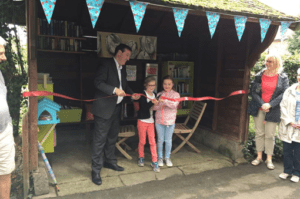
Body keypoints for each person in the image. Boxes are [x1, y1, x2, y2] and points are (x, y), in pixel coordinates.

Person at [91, 44, 140, 185]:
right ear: (119, 53)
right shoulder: (106, 64)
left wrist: (132, 95)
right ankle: (95, 170)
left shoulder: (121, 69)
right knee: (99, 140)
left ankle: (110, 162)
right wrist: (113, 89)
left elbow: (124, 87)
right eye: (127, 55)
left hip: (116, 108)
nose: (128, 59)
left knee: (112, 137)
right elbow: (98, 83)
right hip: (103, 109)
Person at [248, 54, 289, 170]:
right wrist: (262, 103)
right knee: (259, 133)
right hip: (259, 108)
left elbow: (284, 94)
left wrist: (270, 104)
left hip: (273, 109)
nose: (267, 63)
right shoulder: (259, 75)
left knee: (270, 135)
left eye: (270, 61)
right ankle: (259, 157)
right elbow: (254, 92)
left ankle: (269, 159)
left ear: (277, 63)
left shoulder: (283, 77)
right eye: (266, 61)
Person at [278, 68, 300, 183]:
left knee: (298, 152)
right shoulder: (289, 90)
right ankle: (287, 171)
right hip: (288, 125)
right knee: (286, 150)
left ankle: (297, 172)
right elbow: (283, 106)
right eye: (299, 75)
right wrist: (290, 121)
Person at [153, 75, 180, 167]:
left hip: (170, 121)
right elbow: (154, 108)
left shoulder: (176, 95)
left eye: (169, 84)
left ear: (172, 84)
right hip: (159, 121)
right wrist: (156, 103)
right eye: (165, 84)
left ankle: (167, 158)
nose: (167, 86)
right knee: (160, 140)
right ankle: (160, 158)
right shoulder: (158, 94)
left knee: (168, 140)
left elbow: (174, 105)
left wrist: (163, 101)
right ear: (162, 84)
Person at [0, 36, 15, 199]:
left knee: (5, 173)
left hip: (4, 131)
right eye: (1, 54)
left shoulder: (0, 74)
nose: (4, 58)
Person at [137, 76, 160, 172]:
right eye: (150, 85)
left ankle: (155, 161)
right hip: (142, 121)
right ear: (145, 85)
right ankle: (141, 157)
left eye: (154, 85)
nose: (152, 87)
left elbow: (156, 107)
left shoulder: (155, 94)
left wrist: (158, 103)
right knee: (142, 141)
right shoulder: (142, 95)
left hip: (151, 121)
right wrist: (153, 102)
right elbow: (144, 108)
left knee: (152, 142)